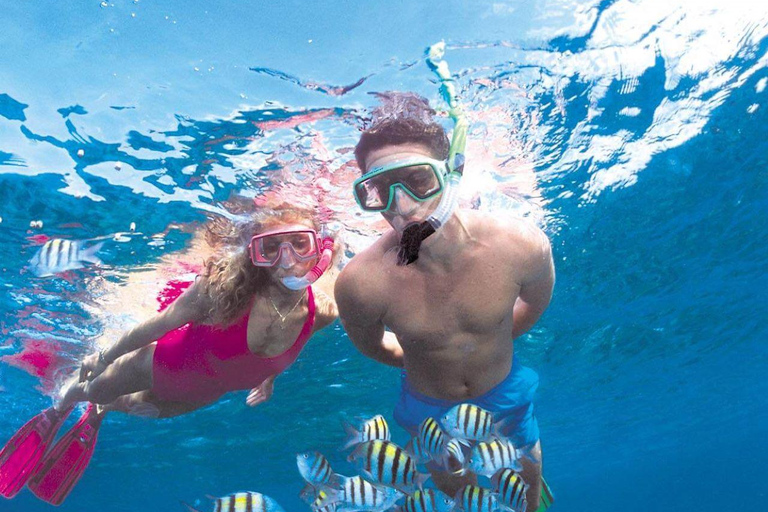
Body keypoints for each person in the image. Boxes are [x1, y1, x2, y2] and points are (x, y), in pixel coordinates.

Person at [0, 201, 341, 505]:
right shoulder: (219, 291)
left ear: (320, 250)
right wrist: (103, 357)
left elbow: (292, 340)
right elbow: (156, 326)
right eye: (270, 248)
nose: (287, 261)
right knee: (94, 388)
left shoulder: (322, 312)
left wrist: (270, 376)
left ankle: (97, 414)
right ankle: (58, 411)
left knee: (139, 409)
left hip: (205, 392)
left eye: (299, 244)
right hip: (161, 363)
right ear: (254, 256)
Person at [335, 95, 555, 508]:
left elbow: (536, 303)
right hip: (427, 402)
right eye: (379, 189)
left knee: (526, 465)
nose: (401, 206)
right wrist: (426, 353)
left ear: (452, 174)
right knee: (453, 483)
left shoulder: (520, 244)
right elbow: (370, 346)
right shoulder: (360, 283)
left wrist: (494, 334)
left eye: (418, 181)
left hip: (502, 385)